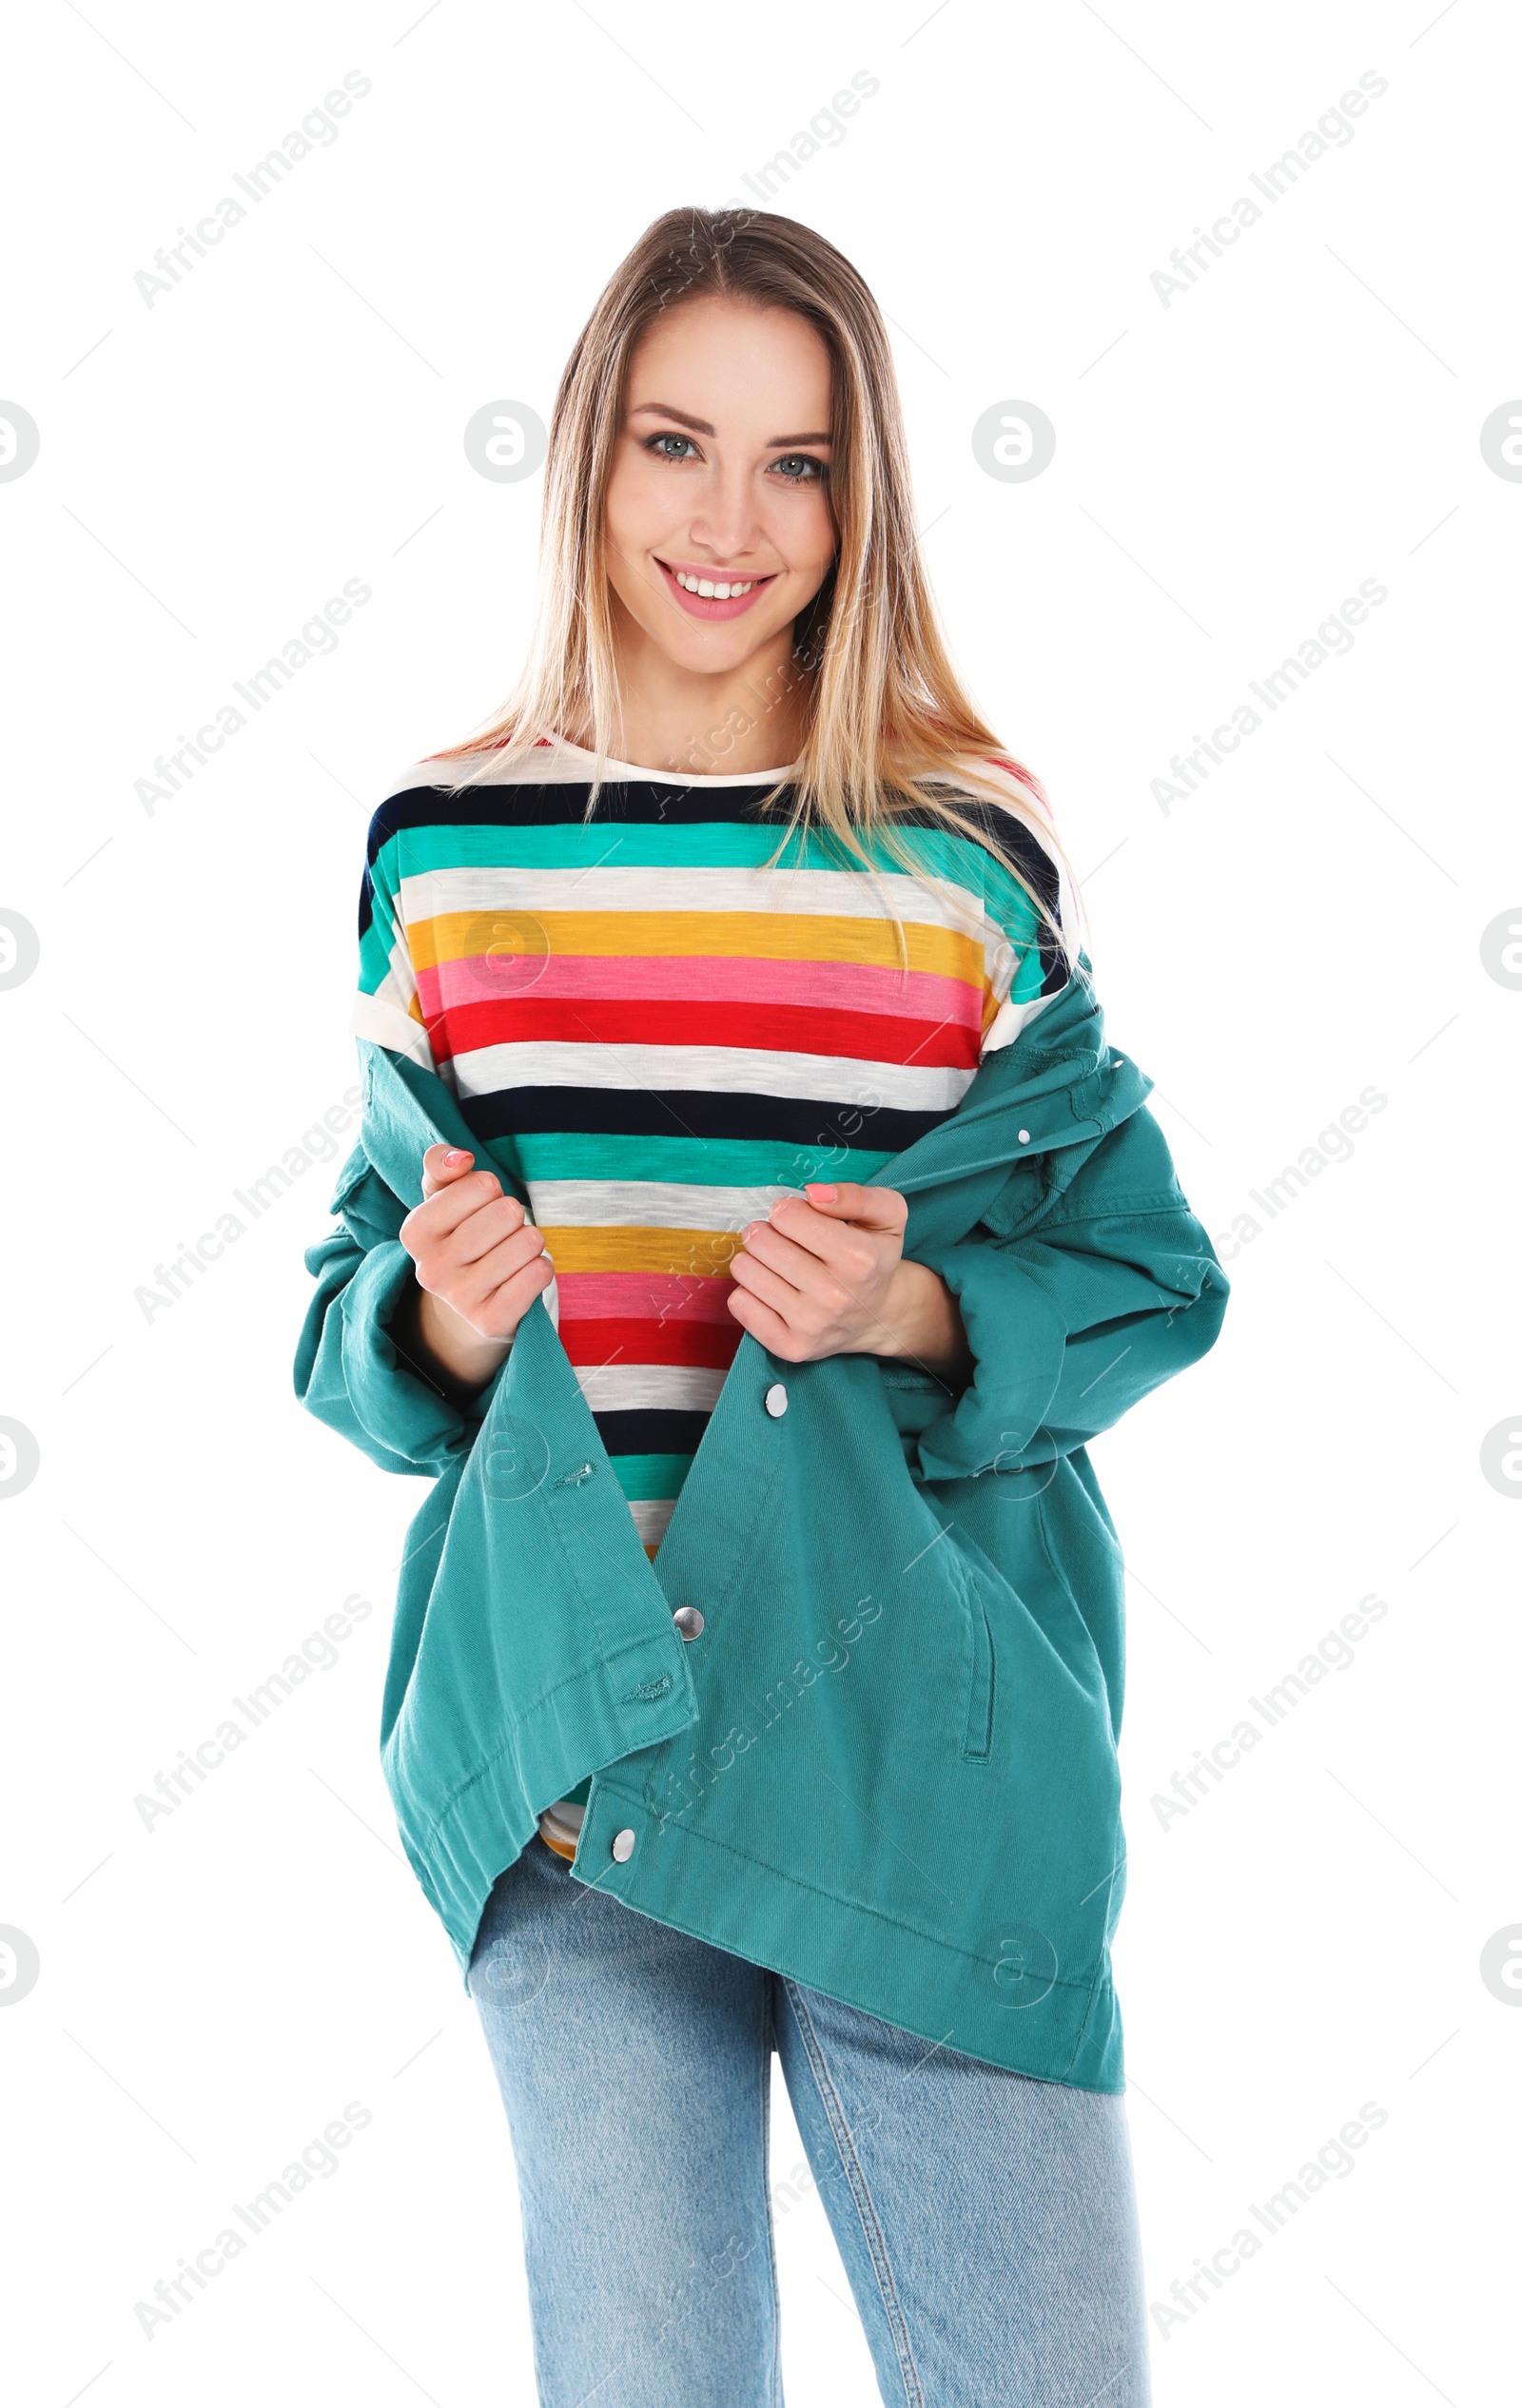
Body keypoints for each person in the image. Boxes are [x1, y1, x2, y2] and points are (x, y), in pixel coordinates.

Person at [295, 205, 1229, 2407]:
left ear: (862, 492)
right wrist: (428, 1318)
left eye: (797, 462)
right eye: (673, 445)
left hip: (909, 1732)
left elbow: (1143, 1274)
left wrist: (916, 1312)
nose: (729, 523)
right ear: (585, 468)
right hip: (572, 1745)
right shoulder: (442, 851)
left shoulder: (959, 854)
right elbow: (350, 1321)